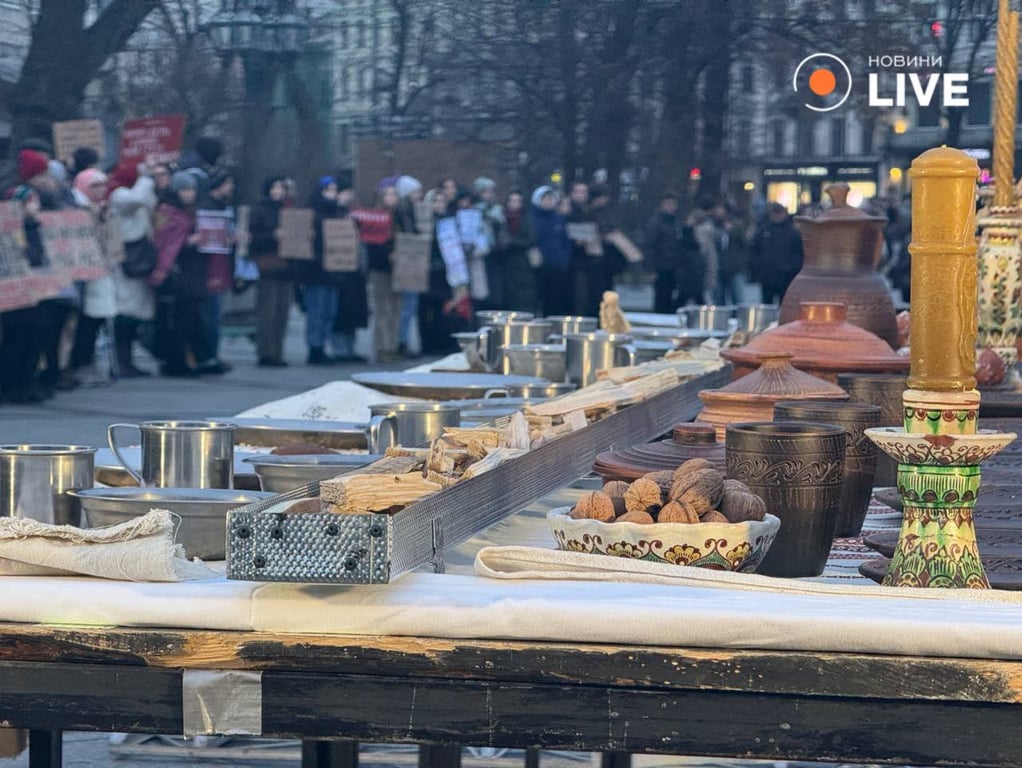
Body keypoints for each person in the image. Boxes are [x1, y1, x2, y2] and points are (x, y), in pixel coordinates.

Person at [151, 171, 213, 377]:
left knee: (190, 319)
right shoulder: (166, 211)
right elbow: (161, 241)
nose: (189, 194)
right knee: (176, 320)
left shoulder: (194, 212)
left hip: (194, 271)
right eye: (185, 190)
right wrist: (187, 242)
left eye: (192, 190)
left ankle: (189, 359)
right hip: (176, 273)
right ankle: (175, 361)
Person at [107, 163, 158, 377]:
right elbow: (137, 200)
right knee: (125, 315)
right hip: (126, 260)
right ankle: (121, 361)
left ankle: (127, 360)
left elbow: (149, 203)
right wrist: (146, 178)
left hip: (138, 257)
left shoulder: (134, 192)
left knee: (134, 315)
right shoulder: (119, 194)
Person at [69, 168, 116, 387]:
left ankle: (89, 361)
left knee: (96, 319)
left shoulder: (103, 208)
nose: (100, 190)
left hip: (102, 268)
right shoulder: (77, 208)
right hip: (82, 272)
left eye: (103, 185)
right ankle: (79, 363)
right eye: (95, 186)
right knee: (83, 321)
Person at [0, 185, 46, 403]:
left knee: (32, 339)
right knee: (14, 339)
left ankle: (27, 382)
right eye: (30, 201)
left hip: (32, 292)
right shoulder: (8, 228)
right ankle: (12, 385)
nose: (35, 205)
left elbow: (39, 257)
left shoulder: (34, 226)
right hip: (11, 294)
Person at [195, 169, 236, 374]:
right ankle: (207, 355)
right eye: (228, 184)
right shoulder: (206, 207)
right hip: (208, 266)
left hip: (220, 264)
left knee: (215, 314)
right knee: (209, 314)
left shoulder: (224, 207)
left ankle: (212, 353)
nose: (231, 188)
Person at [248, 176, 292, 367]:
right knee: (267, 312)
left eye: (281, 188)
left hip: (287, 268)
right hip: (267, 267)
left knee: (282, 312)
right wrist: (273, 236)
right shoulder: (259, 211)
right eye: (275, 187)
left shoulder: (289, 211)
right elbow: (253, 240)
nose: (278, 191)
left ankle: (278, 352)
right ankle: (265, 352)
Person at [332, 186, 369, 362]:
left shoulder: (356, 218)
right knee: (341, 314)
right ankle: (340, 349)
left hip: (355, 273)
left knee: (353, 313)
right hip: (339, 272)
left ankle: (350, 348)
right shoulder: (332, 216)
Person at [750, 202, 803, 305]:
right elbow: (754, 250)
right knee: (767, 305)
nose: (777, 216)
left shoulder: (792, 232)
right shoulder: (763, 231)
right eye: (774, 213)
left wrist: (791, 268)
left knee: (784, 305)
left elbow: (799, 253)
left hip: (785, 276)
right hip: (767, 276)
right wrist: (758, 268)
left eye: (779, 212)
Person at [530, 185, 571, 316]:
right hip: (539, 266)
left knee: (556, 301)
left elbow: (565, 240)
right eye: (545, 199)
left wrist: (564, 258)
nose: (548, 201)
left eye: (550, 198)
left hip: (558, 266)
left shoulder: (559, 219)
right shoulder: (532, 219)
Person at [394, 175, 422, 357]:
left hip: (410, 262)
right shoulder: (403, 212)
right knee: (405, 306)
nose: (418, 195)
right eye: (416, 192)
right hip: (407, 263)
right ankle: (400, 341)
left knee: (408, 307)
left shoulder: (410, 211)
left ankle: (402, 340)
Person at [497, 189, 537, 313]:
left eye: (517, 201)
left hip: (523, 263)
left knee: (523, 298)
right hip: (505, 263)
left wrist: (512, 241)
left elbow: (530, 239)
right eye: (512, 201)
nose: (514, 204)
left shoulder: (527, 218)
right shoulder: (501, 218)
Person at [644, 192, 682, 313]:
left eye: (673, 204)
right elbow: (649, 246)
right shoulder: (655, 223)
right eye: (668, 204)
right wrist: (651, 269)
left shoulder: (676, 223)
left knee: (672, 298)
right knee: (661, 298)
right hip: (661, 267)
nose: (670, 207)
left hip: (674, 267)